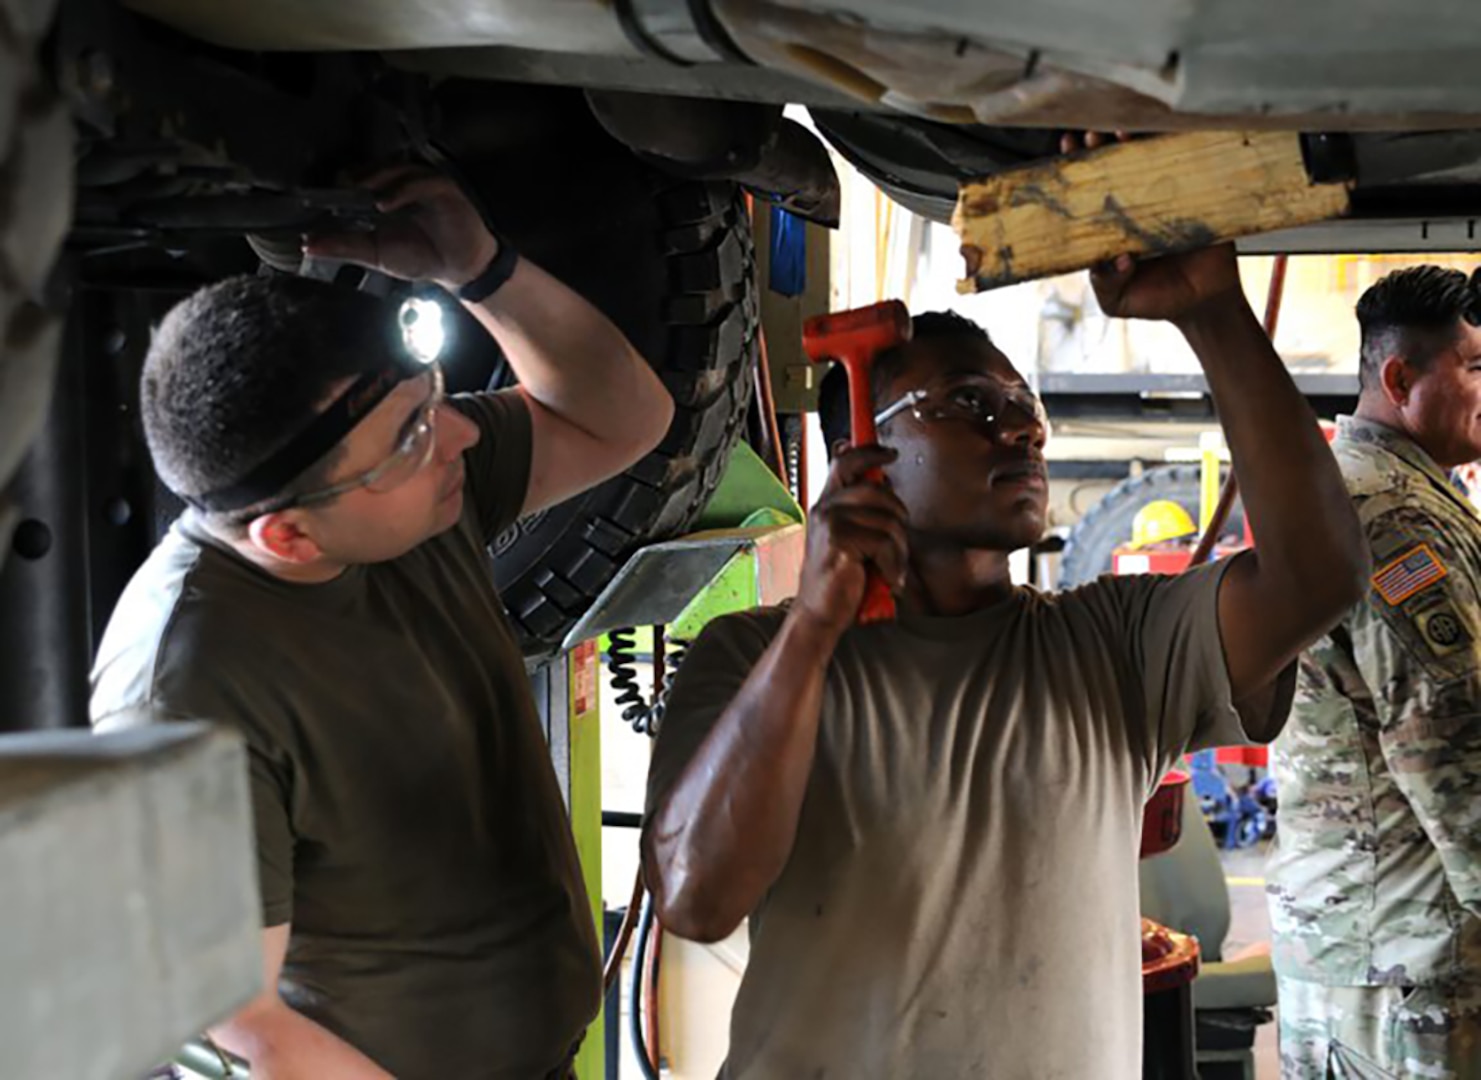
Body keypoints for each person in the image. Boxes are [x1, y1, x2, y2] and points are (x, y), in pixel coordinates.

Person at [640, 241, 1368, 1079]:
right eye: (968, 402)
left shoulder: (1113, 645)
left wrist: (1213, 313)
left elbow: (1319, 574)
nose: (1021, 427)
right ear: (860, 451)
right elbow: (696, 898)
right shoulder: (752, 658)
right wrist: (812, 626)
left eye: (1022, 404)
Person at [90, 166, 675, 1079]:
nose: (461, 436)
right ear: (285, 535)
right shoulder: (183, 687)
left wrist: (480, 272)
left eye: (433, 397)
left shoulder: (398, 491)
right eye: (413, 434)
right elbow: (238, 1023)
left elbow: (625, 417)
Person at [1267, 265, 1481, 1078]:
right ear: (1399, 379)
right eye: (1474, 367)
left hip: (1369, 953)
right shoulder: (1392, 519)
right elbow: (1449, 750)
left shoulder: (1370, 490)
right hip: (1405, 967)